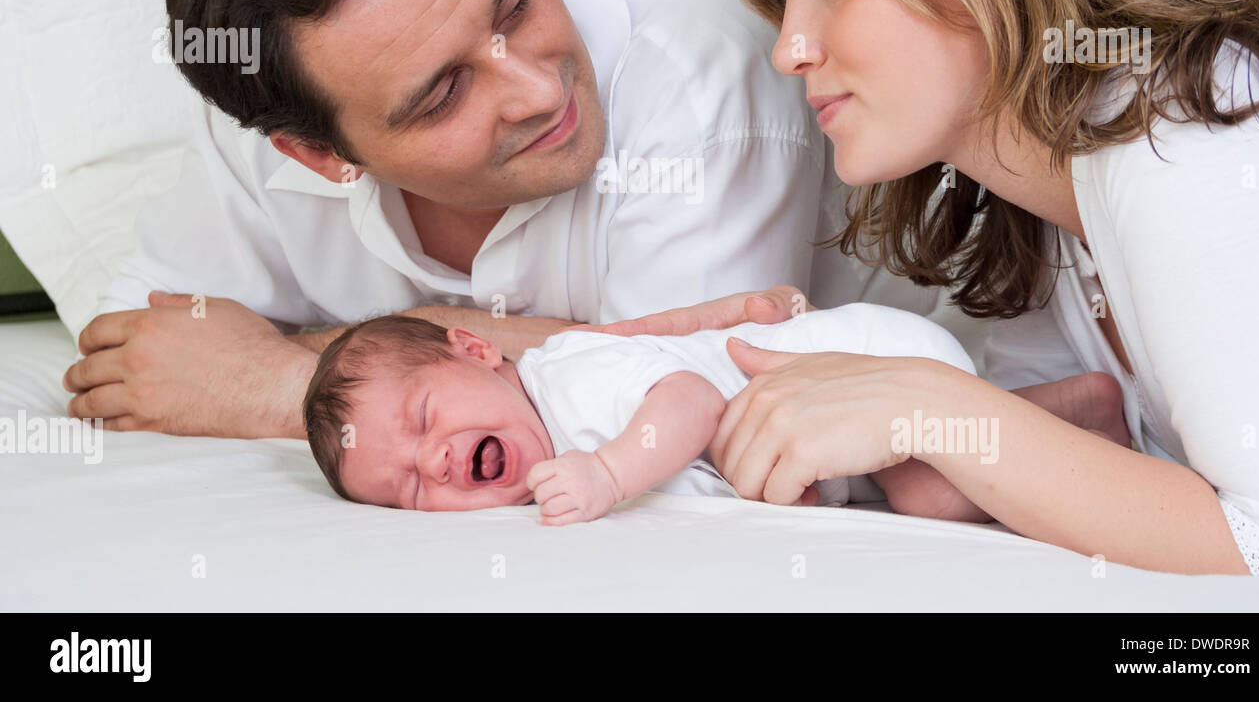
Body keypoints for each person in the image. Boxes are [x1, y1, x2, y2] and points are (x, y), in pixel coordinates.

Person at [598, 0, 1259, 575]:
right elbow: (1079, 454)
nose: (789, 49)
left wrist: (926, 407)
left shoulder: (1188, 124)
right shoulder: (1039, 210)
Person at [62, 0, 842, 440]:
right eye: (443, 94)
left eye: (516, 2)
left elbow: (682, 411)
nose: (538, 89)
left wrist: (283, 382)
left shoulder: (699, 72)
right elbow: (135, 352)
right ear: (318, 155)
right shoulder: (270, 107)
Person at [300, 306, 1129, 524]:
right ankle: (1070, 406)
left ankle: (1097, 455)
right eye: (408, 489)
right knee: (921, 483)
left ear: (477, 352)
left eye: (422, 419)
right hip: (843, 434)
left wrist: (609, 473)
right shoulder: (547, 447)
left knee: (936, 500)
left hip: (872, 366)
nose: (434, 461)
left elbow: (691, 403)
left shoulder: (570, 385)